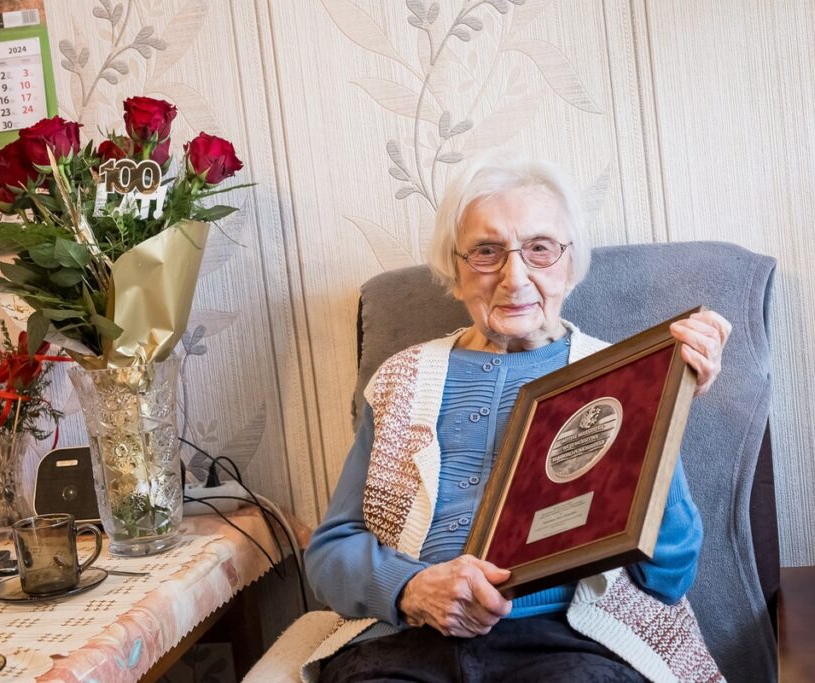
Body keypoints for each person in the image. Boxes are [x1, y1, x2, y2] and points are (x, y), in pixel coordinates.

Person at [304, 154, 731, 682]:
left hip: (570, 643)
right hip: (409, 643)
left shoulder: (626, 377)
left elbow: (670, 576)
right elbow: (328, 554)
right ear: (456, 274)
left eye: (540, 249)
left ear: (570, 267)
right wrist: (411, 588)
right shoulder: (401, 379)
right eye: (486, 252)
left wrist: (667, 404)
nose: (515, 276)